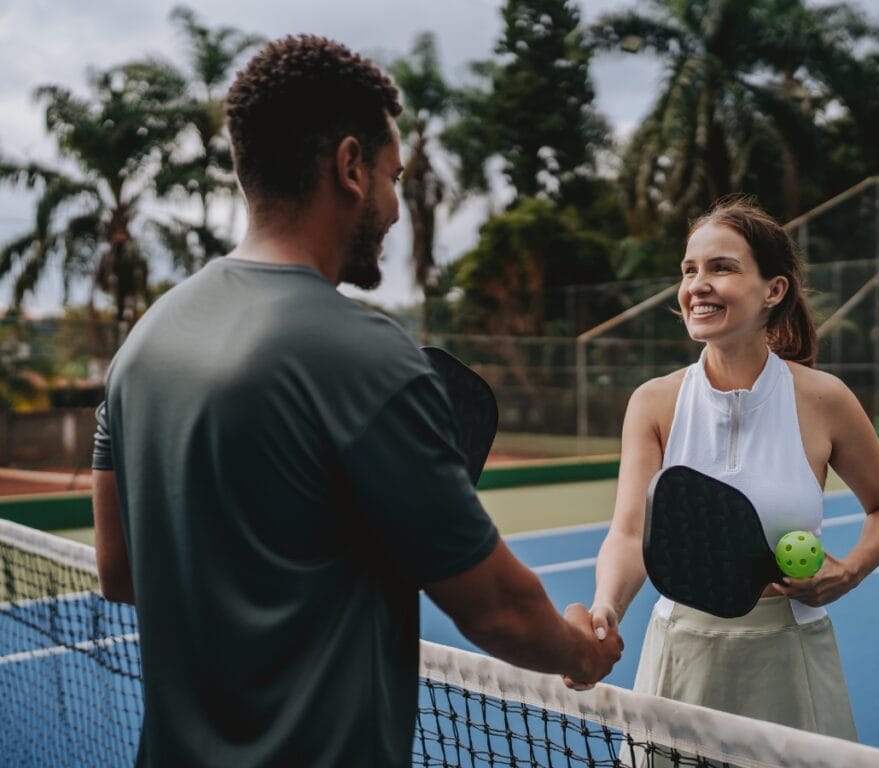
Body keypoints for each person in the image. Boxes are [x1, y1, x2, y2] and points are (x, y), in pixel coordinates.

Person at [91, 35, 621, 768]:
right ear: (349, 167)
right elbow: (499, 609)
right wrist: (584, 654)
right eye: (392, 176)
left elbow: (120, 573)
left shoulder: (141, 346)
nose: (398, 207)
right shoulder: (366, 354)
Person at [576, 198, 879, 743]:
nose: (697, 285)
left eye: (721, 268)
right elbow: (631, 532)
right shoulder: (653, 402)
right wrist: (606, 607)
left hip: (790, 652)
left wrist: (849, 570)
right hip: (680, 655)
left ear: (773, 291)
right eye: (690, 270)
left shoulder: (826, 399)